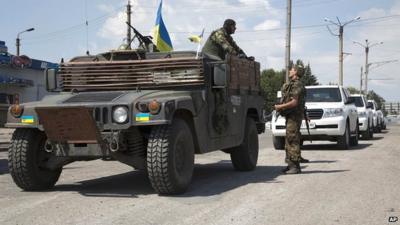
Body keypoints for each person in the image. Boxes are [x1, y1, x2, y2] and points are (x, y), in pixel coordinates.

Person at [274, 65, 308, 174]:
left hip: (294, 116)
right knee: (288, 139)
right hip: (291, 115)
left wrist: (280, 107)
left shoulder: (297, 85)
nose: (290, 71)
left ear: (296, 72)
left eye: (292, 70)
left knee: (293, 139)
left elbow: (295, 102)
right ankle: (290, 164)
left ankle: (295, 167)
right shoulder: (292, 84)